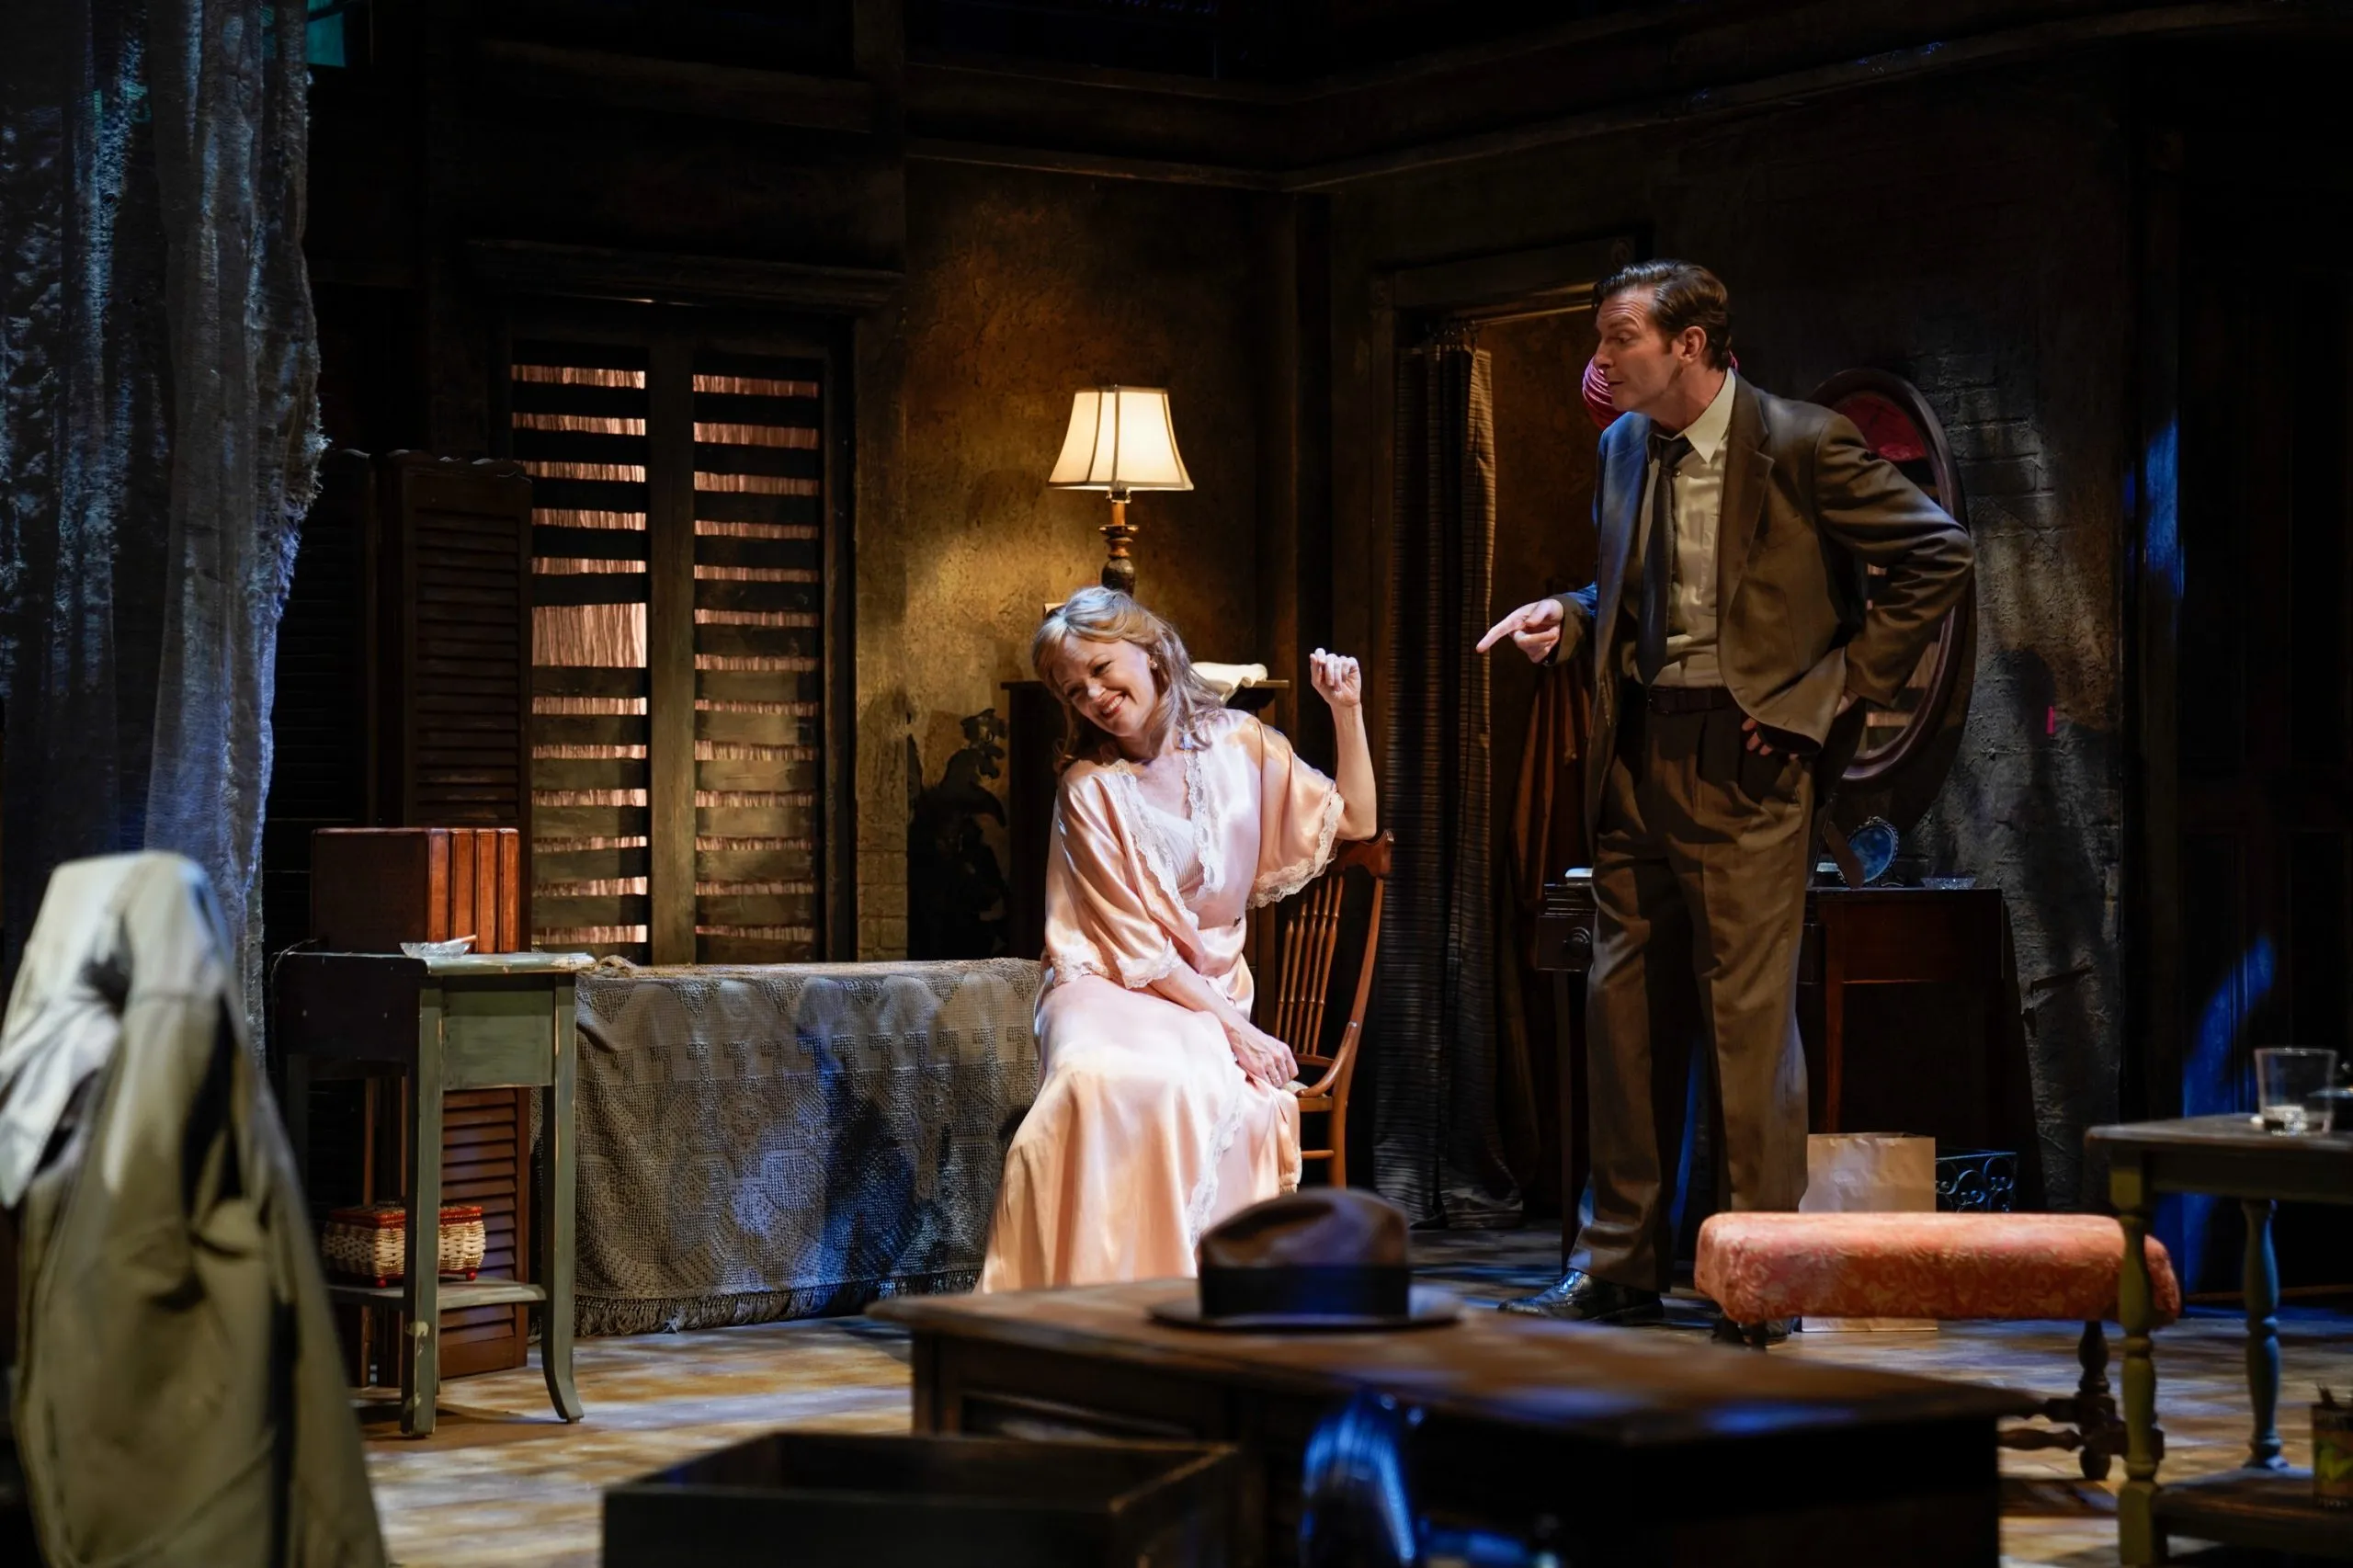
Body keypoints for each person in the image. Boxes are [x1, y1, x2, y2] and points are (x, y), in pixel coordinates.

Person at [1477, 260, 1973, 1335]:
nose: (1599, 361)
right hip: (1636, 753)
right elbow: (1633, 589)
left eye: (1618, 339)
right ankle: (1618, 1260)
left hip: (1748, 762)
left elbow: (1937, 553)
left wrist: (1827, 693)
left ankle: (1762, 1273)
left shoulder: (1796, 441)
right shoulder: (1621, 448)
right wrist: (1570, 615)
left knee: (1746, 1033)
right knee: (1620, 1018)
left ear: (1689, 345)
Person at [978, 587, 1378, 1290]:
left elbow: (1357, 824)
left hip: (1206, 982)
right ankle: (1094, 1300)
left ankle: (1188, 1293)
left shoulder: (1239, 743)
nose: (1095, 695)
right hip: (1102, 980)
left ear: (1152, 651)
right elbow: (1134, 946)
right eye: (1075, 689)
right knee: (1098, 1079)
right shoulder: (1088, 787)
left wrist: (1347, 711)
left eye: (1102, 670)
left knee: (1196, 1086)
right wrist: (1237, 1032)